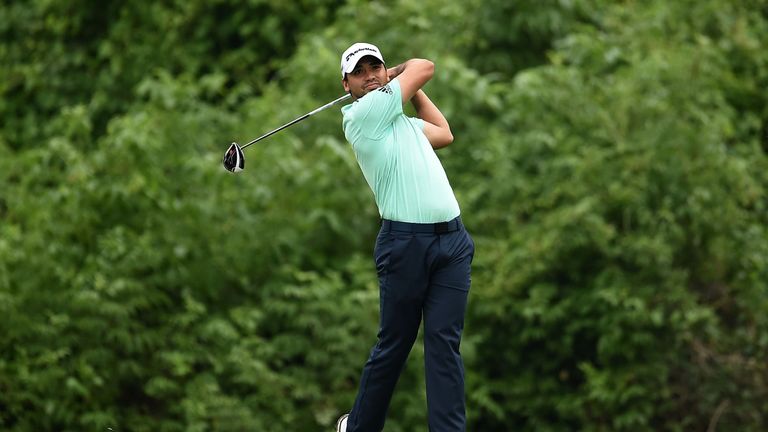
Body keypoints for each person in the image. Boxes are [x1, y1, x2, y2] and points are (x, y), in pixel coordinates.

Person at [335, 42, 475, 432]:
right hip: (406, 245)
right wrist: (397, 75)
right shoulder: (365, 114)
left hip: (452, 242)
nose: (370, 76)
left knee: (444, 345)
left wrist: (403, 89)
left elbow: (444, 133)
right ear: (346, 84)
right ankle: (361, 426)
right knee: (395, 345)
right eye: (359, 72)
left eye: (375, 67)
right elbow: (424, 65)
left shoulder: (398, 124)